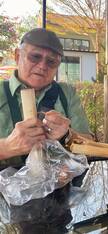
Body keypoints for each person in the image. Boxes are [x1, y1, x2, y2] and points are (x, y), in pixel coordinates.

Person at [0, 28, 91, 170]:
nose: (42, 66)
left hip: (60, 185)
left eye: (51, 61)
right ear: (17, 56)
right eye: (35, 57)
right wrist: (6, 147)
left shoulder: (66, 93)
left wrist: (68, 135)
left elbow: (89, 144)